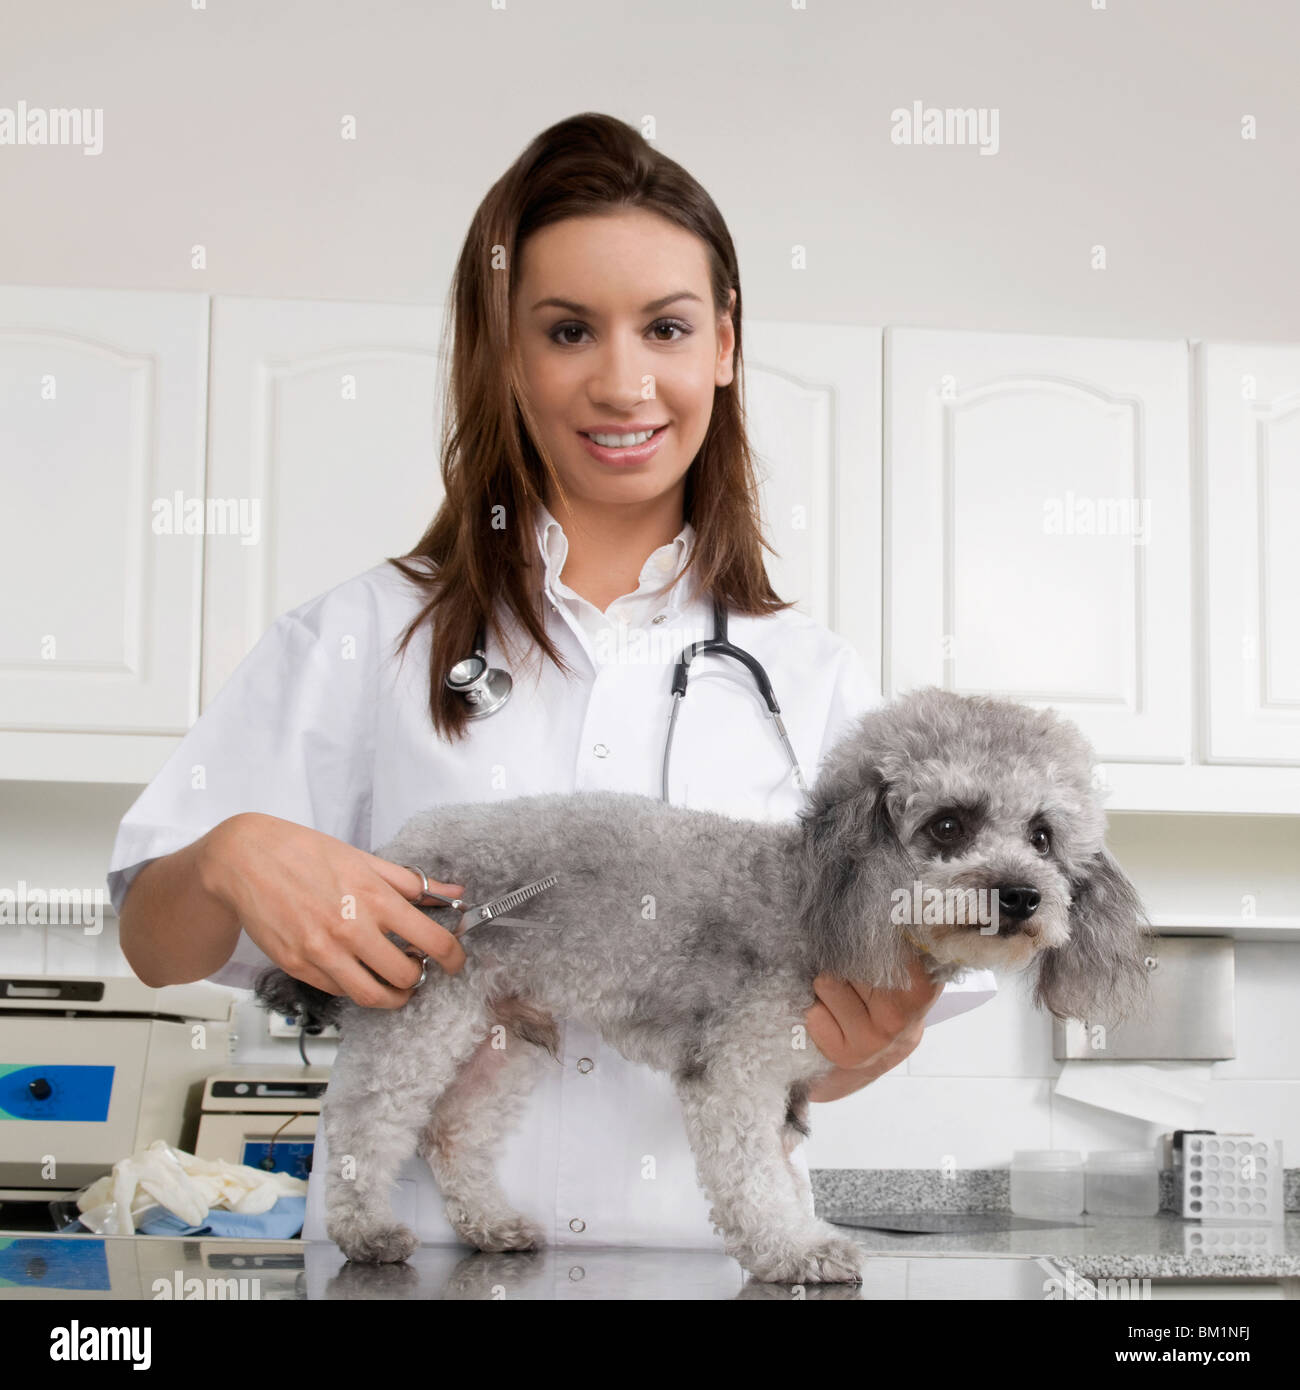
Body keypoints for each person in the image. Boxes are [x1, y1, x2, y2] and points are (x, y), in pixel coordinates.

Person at [108, 111, 996, 1254]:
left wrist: (869, 1036)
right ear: (505, 352)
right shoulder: (364, 631)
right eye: (569, 330)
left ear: (722, 344)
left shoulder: (812, 679)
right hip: (412, 1273)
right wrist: (228, 855)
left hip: (704, 1271)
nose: (624, 383)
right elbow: (150, 939)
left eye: (666, 327)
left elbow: (828, 1061)